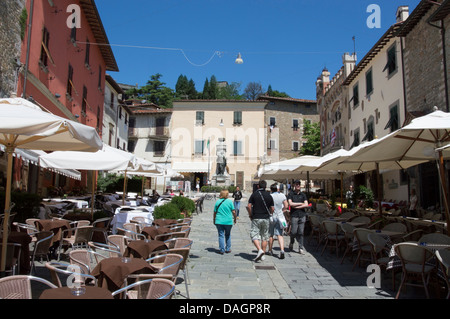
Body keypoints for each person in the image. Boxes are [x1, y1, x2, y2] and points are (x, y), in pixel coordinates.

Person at [246, 180, 274, 262]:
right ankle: (263, 255)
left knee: (254, 234)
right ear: (265, 186)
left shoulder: (254, 194)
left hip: (256, 217)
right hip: (266, 218)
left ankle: (259, 250)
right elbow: (272, 208)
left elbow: (249, 206)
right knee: (264, 236)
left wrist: (250, 214)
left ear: (258, 186)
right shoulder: (269, 195)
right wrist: (270, 214)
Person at [287, 180, 309, 254]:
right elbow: (290, 204)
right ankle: (292, 242)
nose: (298, 185)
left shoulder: (303, 195)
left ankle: (300, 248)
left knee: (301, 232)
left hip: (302, 215)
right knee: (293, 232)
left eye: (299, 184)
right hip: (294, 215)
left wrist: (296, 205)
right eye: (297, 184)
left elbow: (306, 204)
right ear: (294, 185)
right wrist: (300, 204)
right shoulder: (291, 194)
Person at [268, 183, 288, 259]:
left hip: (272, 217)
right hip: (280, 217)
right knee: (280, 235)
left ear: (271, 189)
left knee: (271, 234)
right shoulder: (282, 195)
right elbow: (286, 205)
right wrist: (282, 210)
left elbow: (269, 207)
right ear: (278, 189)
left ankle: (270, 250)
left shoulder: (270, 196)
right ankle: (282, 250)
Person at [213, 189, 237, 254]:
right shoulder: (230, 202)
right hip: (228, 221)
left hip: (219, 221)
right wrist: (235, 218)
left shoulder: (218, 202)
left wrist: (214, 219)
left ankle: (222, 249)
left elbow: (215, 212)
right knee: (228, 235)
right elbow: (234, 211)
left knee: (221, 235)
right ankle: (228, 249)